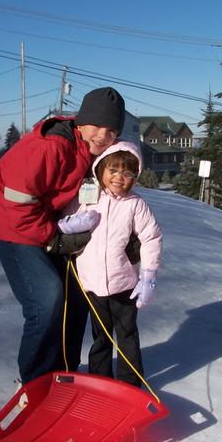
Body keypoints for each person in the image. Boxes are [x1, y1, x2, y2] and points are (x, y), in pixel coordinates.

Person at [0, 87, 125, 385]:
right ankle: (35, 382)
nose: (102, 134)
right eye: (97, 125)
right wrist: (52, 239)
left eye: (111, 130)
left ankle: (63, 373)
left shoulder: (90, 151)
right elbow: (16, 202)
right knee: (47, 298)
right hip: (13, 226)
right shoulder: (51, 147)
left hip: (46, 225)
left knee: (77, 293)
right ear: (81, 121)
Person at [64, 140, 162, 387]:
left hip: (124, 284)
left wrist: (148, 276)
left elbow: (151, 237)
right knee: (101, 336)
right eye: (114, 170)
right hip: (92, 284)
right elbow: (64, 219)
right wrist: (72, 224)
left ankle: (130, 383)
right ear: (102, 169)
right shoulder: (88, 196)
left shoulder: (136, 204)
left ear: (135, 178)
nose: (120, 178)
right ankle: (100, 380)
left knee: (127, 335)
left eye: (128, 173)